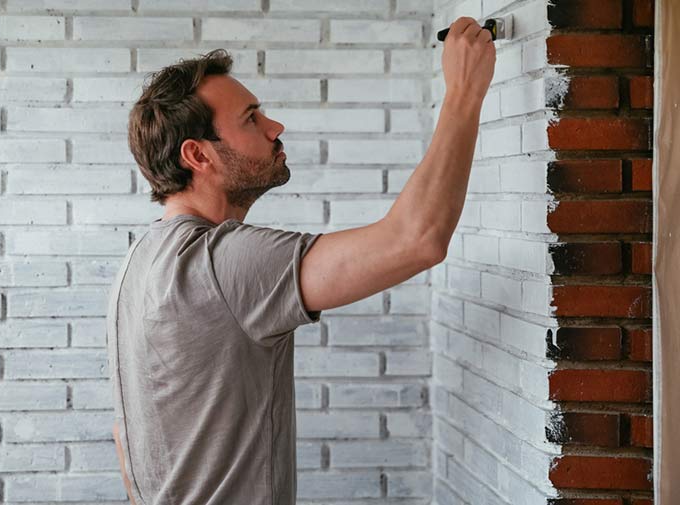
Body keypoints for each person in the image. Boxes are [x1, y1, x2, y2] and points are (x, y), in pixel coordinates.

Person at [106, 16, 496, 505]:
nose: (275, 127)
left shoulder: (138, 262)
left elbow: (127, 441)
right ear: (198, 155)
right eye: (251, 118)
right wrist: (464, 93)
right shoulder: (222, 262)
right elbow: (417, 240)